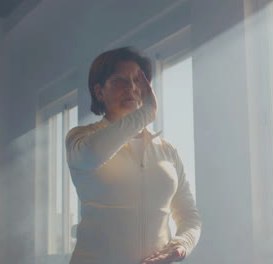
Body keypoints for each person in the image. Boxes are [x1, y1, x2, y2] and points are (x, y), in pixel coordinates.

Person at [65, 46, 202, 264]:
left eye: (138, 80)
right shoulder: (80, 138)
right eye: (120, 80)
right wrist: (146, 113)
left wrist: (180, 247)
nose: (131, 87)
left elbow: (189, 215)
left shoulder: (167, 150)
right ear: (99, 91)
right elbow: (92, 156)